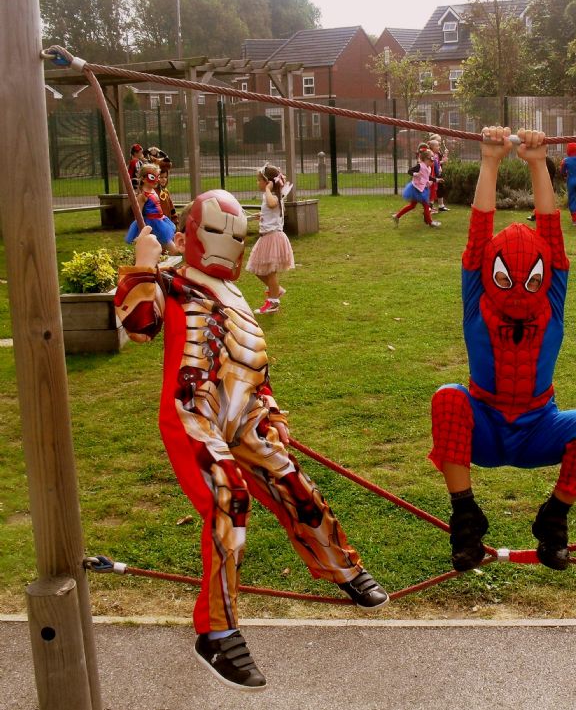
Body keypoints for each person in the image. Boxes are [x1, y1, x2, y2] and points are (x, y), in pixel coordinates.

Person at [114, 190, 389, 691]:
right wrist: (143, 264)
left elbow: (250, 364)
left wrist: (274, 412)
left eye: (236, 237)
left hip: (244, 419)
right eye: (219, 234)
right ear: (193, 233)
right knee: (228, 498)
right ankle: (216, 632)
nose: (229, 246)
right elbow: (138, 326)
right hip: (193, 415)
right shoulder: (172, 281)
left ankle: (341, 568)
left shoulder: (236, 296)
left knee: (293, 483)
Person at [429, 126, 576, 573]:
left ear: (547, 274)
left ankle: (554, 518)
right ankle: (466, 516)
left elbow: (551, 233)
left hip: (538, 426)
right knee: (448, 398)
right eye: (505, 276)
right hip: (485, 426)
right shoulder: (478, 295)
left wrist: (537, 163)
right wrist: (489, 161)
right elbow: (478, 234)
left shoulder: (551, 295)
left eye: (528, 276)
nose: (516, 286)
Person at [247, 163, 295, 315]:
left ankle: (273, 302)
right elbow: (271, 211)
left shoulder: (272, 195)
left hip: (272, 237)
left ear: (268, 182)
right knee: (257, 267)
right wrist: (261, 216)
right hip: (267, 236)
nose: (258, 183)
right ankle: (276, 291)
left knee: (269, 271)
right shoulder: (270, 196)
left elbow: (272, 203)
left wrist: (268, 189)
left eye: (260, 180)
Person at [124, 162, 177, 254]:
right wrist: (143, 232)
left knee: (163, 252)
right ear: (144, 179)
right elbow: (138, 216)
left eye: (158, 177)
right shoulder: (143, 196)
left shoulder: (153, 190)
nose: (157, 180)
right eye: (153, 177)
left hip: (161, 222)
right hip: (152, 226)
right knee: (172, 250)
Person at [392, 146, 440, 228]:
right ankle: (430, 222)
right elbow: (409, 171)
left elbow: (427, 177)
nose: (433, 163)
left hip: (422, 189)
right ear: (426, 159)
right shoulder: (420, 166)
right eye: (432, 160)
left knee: (413, 205)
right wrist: (415, 174)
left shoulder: (428, 168)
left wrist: (436, 180)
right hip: (416, 189)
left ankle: (397, 216)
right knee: (426, 205)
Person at [428, 136, 450, 212]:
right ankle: (430, 207)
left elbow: (440, 161)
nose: (440, 143)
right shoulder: (431, 153)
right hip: (434, 173)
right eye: (438, 141)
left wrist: (445, 155)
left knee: (439, 188)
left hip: (438, 172)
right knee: (432, 190)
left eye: (440, 141)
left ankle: (440, 206)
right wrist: (442, 162)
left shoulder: (438, 152)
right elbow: (435, 162)